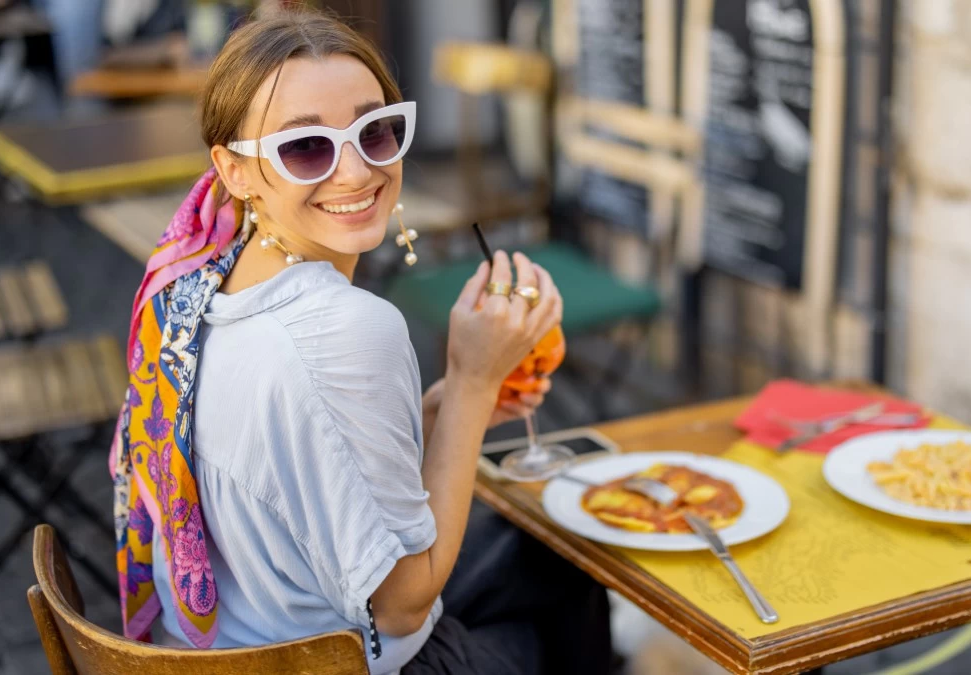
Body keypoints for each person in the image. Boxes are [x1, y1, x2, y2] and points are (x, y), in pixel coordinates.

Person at [107, 8, 612, 674]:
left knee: (547, 553)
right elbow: (402, 604)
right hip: (352, 659)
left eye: (375, 131)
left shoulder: (195, 281)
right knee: (574, 590)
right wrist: (471, 380)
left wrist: (442, 409)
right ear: (234, 170)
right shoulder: (347, 330)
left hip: (238, 635)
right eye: (307, 146)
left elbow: (320, 465)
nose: (355, 172)